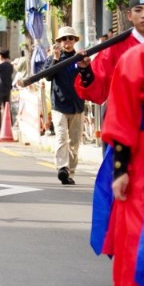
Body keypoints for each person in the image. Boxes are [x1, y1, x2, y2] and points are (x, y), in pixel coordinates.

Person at [90, 0, 144, 286]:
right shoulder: (129, 55)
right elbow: (115, 108)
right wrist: (120, 168)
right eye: (139, 10)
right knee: (139, 233)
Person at [76, 0, 144, 104]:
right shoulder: (114, 48)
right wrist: (85, 69)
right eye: (138, 10)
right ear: (129, 15)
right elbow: (97, 92)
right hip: (126, 117)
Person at [42, 27, 85, 185]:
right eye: (64, 39)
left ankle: (70, 172)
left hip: (77, 105)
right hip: (59, 104)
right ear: (59, 42)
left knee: (74, 142)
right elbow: (47, 76)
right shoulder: (54, 58)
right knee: (61, 136)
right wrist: (55, 57)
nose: (67, 42)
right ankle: (62, 167)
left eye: (70, 38)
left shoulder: (80, 58)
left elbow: (89, 76)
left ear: (75, 41)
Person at [0, 48, 14, 137]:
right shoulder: (10, 65)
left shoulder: (1, 65)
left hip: (0, 89)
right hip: (8, 88)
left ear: (0, 56)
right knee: (7, 108)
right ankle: (10, 125)